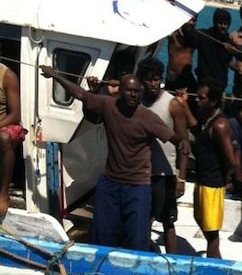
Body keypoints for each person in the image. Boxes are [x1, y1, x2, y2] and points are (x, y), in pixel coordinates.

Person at [39, 66, 189, 251]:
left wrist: (182, 142)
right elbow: (80, 94)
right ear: (121, 91)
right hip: (110, 183)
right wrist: (55, 75)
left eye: (136, 91)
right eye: (129, 91)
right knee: (103, 235)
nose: (133, 95)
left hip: (137, 186)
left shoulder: (147, 117)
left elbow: (173, 136)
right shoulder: (108, 105)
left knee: (136, 238)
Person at [136, 58, 189, 254]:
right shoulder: (136, 100)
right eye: (148, 80)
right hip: (140, 173)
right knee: (142, 220)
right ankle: (144, 255)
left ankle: (172, 262)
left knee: (168, 222)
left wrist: (181, 178)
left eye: (157, 79)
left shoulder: (172, 104)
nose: (153, 84)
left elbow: (184, 144)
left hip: (165, 174)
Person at [188, 78, 235, 259]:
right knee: (200, 220)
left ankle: (214, 263)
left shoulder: (220, 125)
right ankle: (215, 258)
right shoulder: (204, 118)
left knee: (212, 232)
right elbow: (194, 129)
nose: (197, 101)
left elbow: (231, 160)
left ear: (213, 100)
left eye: (202, 98)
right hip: (202, 179)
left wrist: (225, 178)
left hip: (212, 184)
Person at [184, 8, 233, 92]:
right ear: (215, 22)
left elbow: (228, 61)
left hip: (219, 86)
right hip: (204, 83)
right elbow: (190, 40)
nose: (223, 26)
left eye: (226, 24)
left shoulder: (229, 42)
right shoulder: (203, 35)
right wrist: (187, 27)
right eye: (220, 23)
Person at [0, 59, 23, 216]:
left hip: (3, 123)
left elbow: (15, 115)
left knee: (4, 138)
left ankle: (3, 193)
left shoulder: (7, 76)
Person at [165, 15, 197, 94]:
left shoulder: (194, 37)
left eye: (194, 20)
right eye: (190, 20)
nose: (191, 23)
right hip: (173, 77)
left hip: (187, 77)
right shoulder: (173, 34)